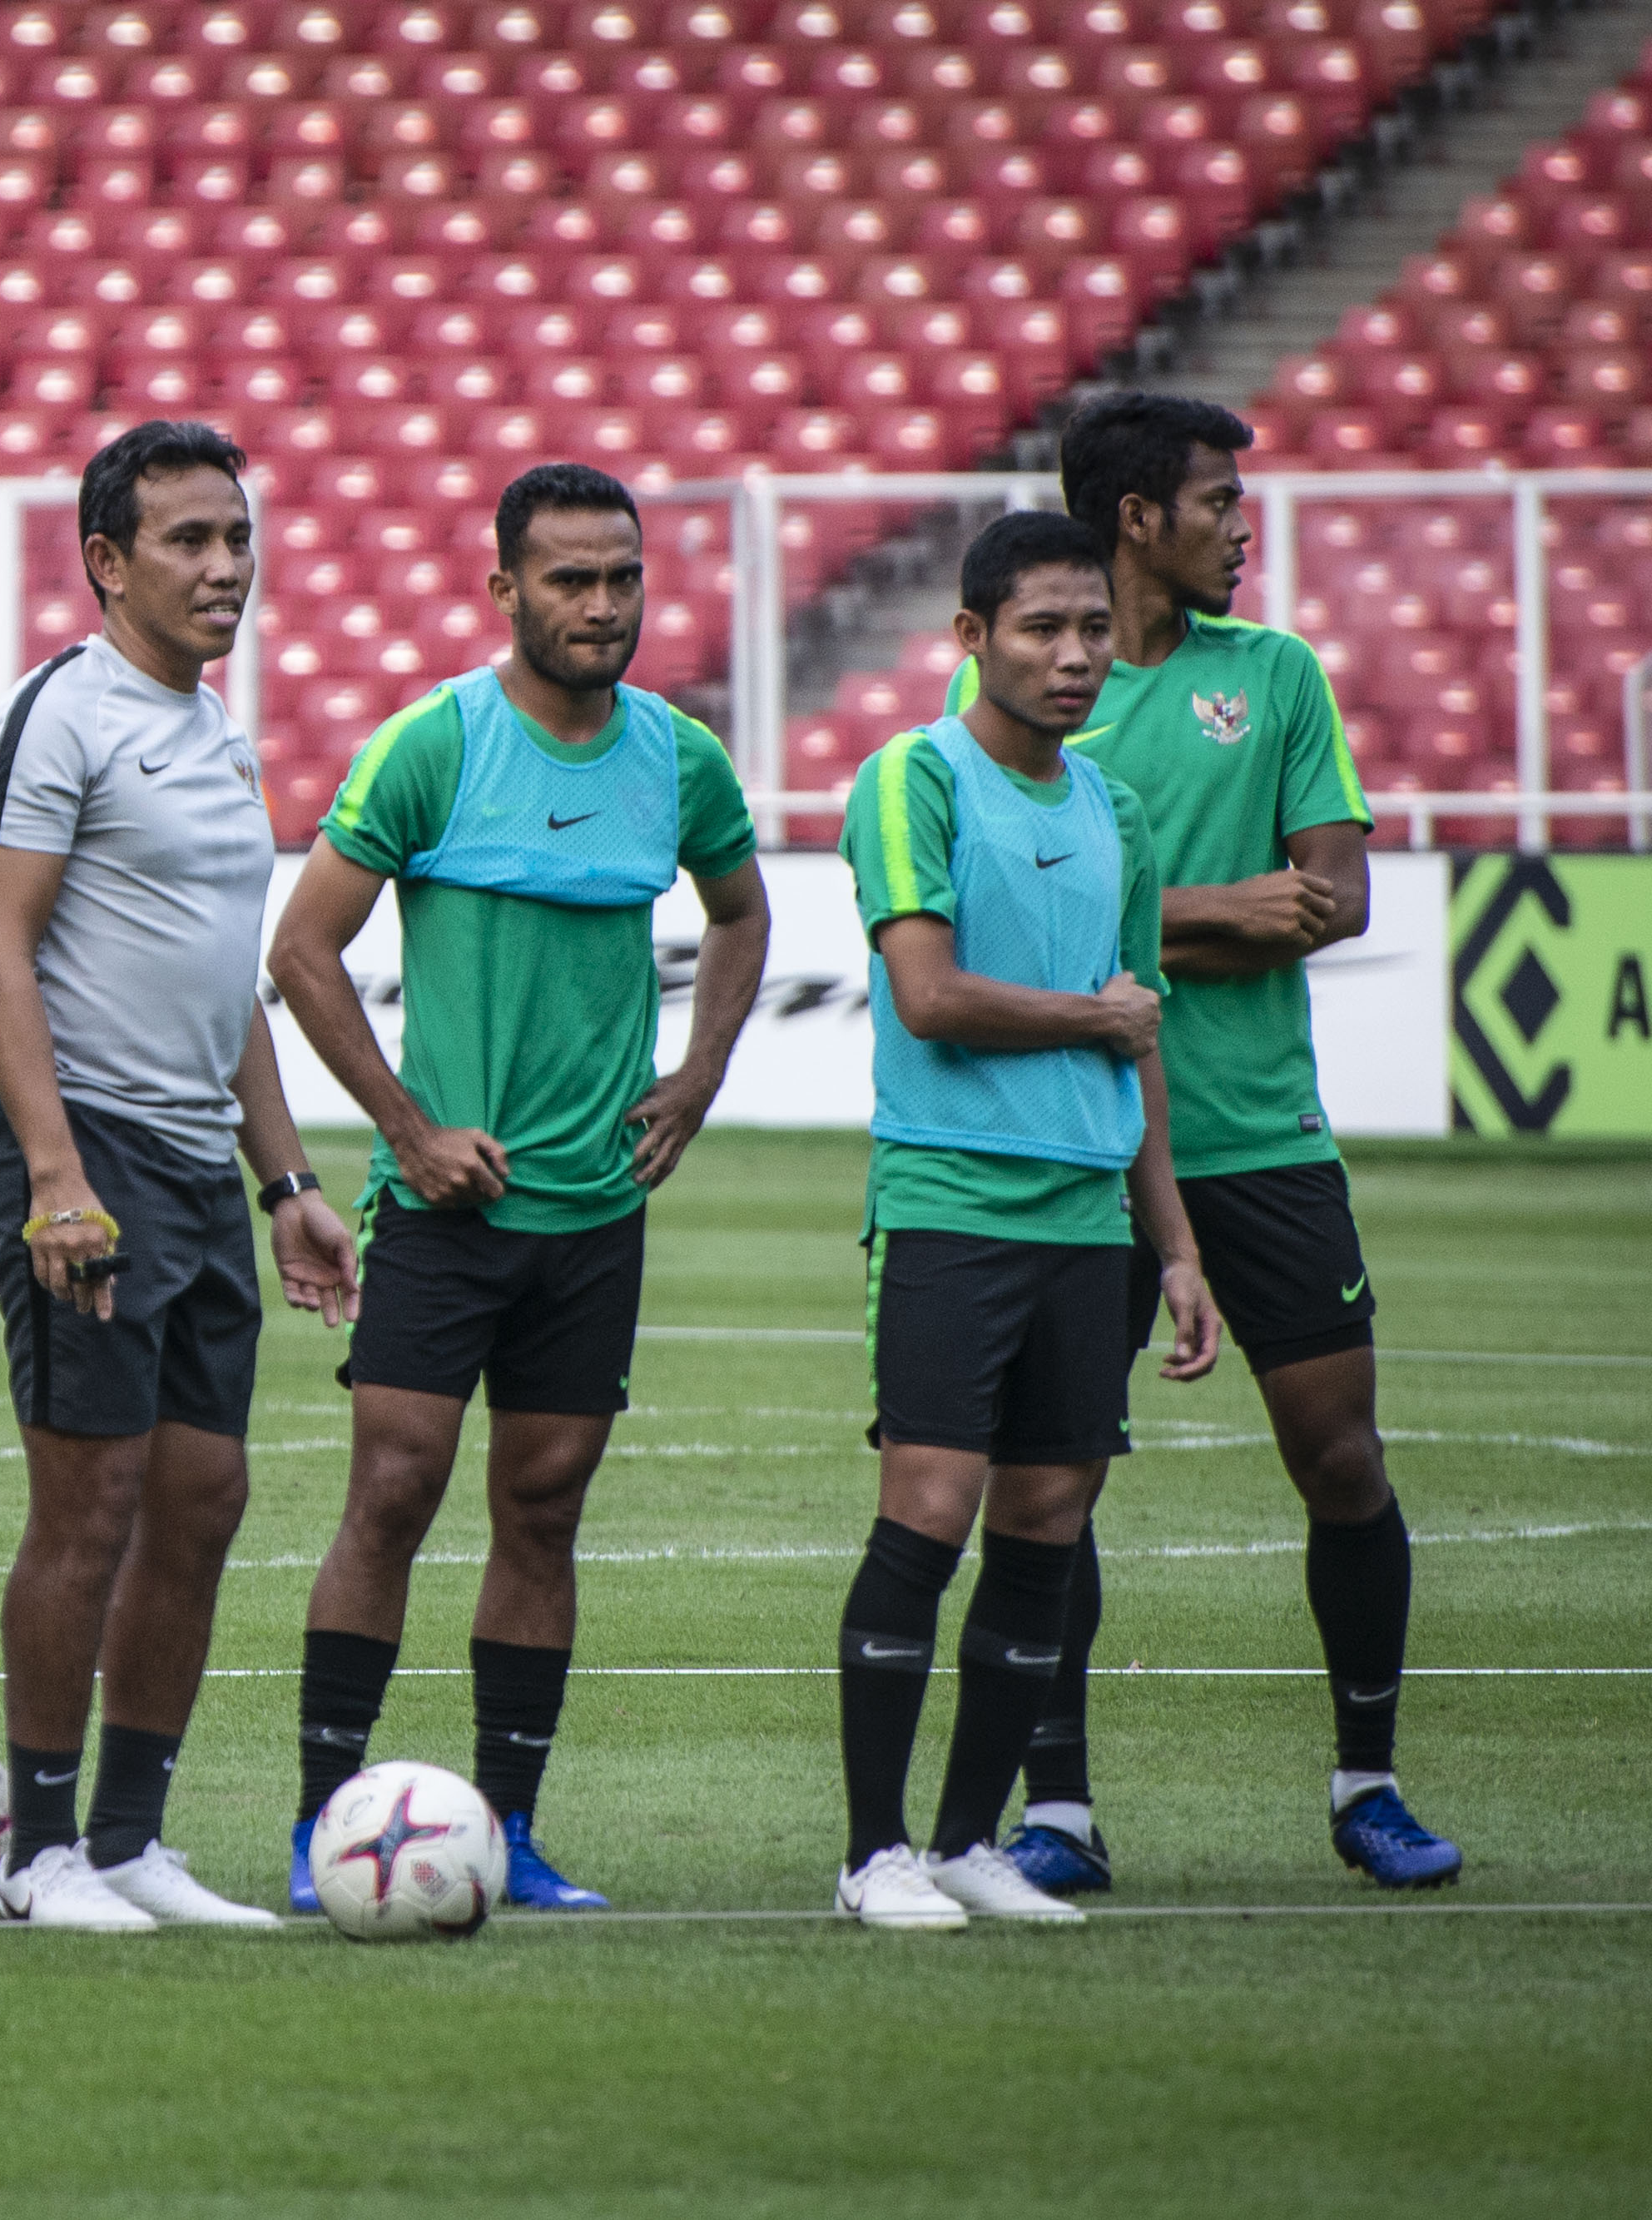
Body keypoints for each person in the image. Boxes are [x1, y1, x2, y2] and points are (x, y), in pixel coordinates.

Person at [953, 395, 1461, 1894]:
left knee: (1343, 1460)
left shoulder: (1278, 676)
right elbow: (1015, 921)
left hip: (1261, 1138)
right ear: (1137, 520)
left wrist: (1154, 927)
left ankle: (1368, 1783)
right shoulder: (1044, 696)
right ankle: (1060, 1814)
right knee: (1049, 1485)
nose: (1244, 525)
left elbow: (1339, 898)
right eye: (1219, 500)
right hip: (1075, 1145)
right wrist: (1223, 912)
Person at [265, 462, 771, 1915]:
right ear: (507, 590)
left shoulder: (679, 759)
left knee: (543, 1509)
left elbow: (742, 912)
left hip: (595, 1216)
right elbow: (302, 953)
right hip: (446, 1213)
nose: (601, 605)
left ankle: (515, 1824)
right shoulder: (435, 743)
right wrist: (412, 1132)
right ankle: (321, 1827)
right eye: (569, 579)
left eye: (621, 578)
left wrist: (699, 1075)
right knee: (396, 1493)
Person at [0, 419, 360, 1932]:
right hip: (90, 1153)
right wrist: (59, 1178)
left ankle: (130, 1840)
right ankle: (40, 1852)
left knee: (204, 1496)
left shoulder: (217, 732)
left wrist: (287, 1181)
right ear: (108, 562)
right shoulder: (55, 717)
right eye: (189, 541)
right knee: (94, 1504)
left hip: (200, 1164)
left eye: (237, 539)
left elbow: (228, 987)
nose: (224, 569)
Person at [831, 511, 1221, 1930]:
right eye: (1043, 629)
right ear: (971, 639)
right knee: (928, 1514)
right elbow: (930, 996)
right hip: (948, 1202)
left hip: (1087, 1222)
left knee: (1047, 1525)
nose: (1074, 657)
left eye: (1094, 629)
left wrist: (1172, 1244)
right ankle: (873, 1854)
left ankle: (967, 1842)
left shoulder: (1115, 809)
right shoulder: (910, 778)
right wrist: (1098, 1015)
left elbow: (1144, 1043)